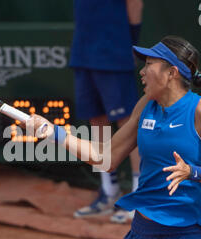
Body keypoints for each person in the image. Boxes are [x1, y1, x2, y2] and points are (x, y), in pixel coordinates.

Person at [29, 35, 201, 239]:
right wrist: (54, 132)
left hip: (186, 237)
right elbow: (106, 158)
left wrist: (193, 172)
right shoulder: (145, 106)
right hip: (143, 234)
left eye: (150, 64)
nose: (142, 71)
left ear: (171, 73)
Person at [69, 0, 144, 224]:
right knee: (97, 122)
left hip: (114, 50)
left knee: (128, 125)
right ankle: (108, 191)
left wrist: (131, 40)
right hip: (83, 52)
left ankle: (139, 197)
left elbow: (135, 4)